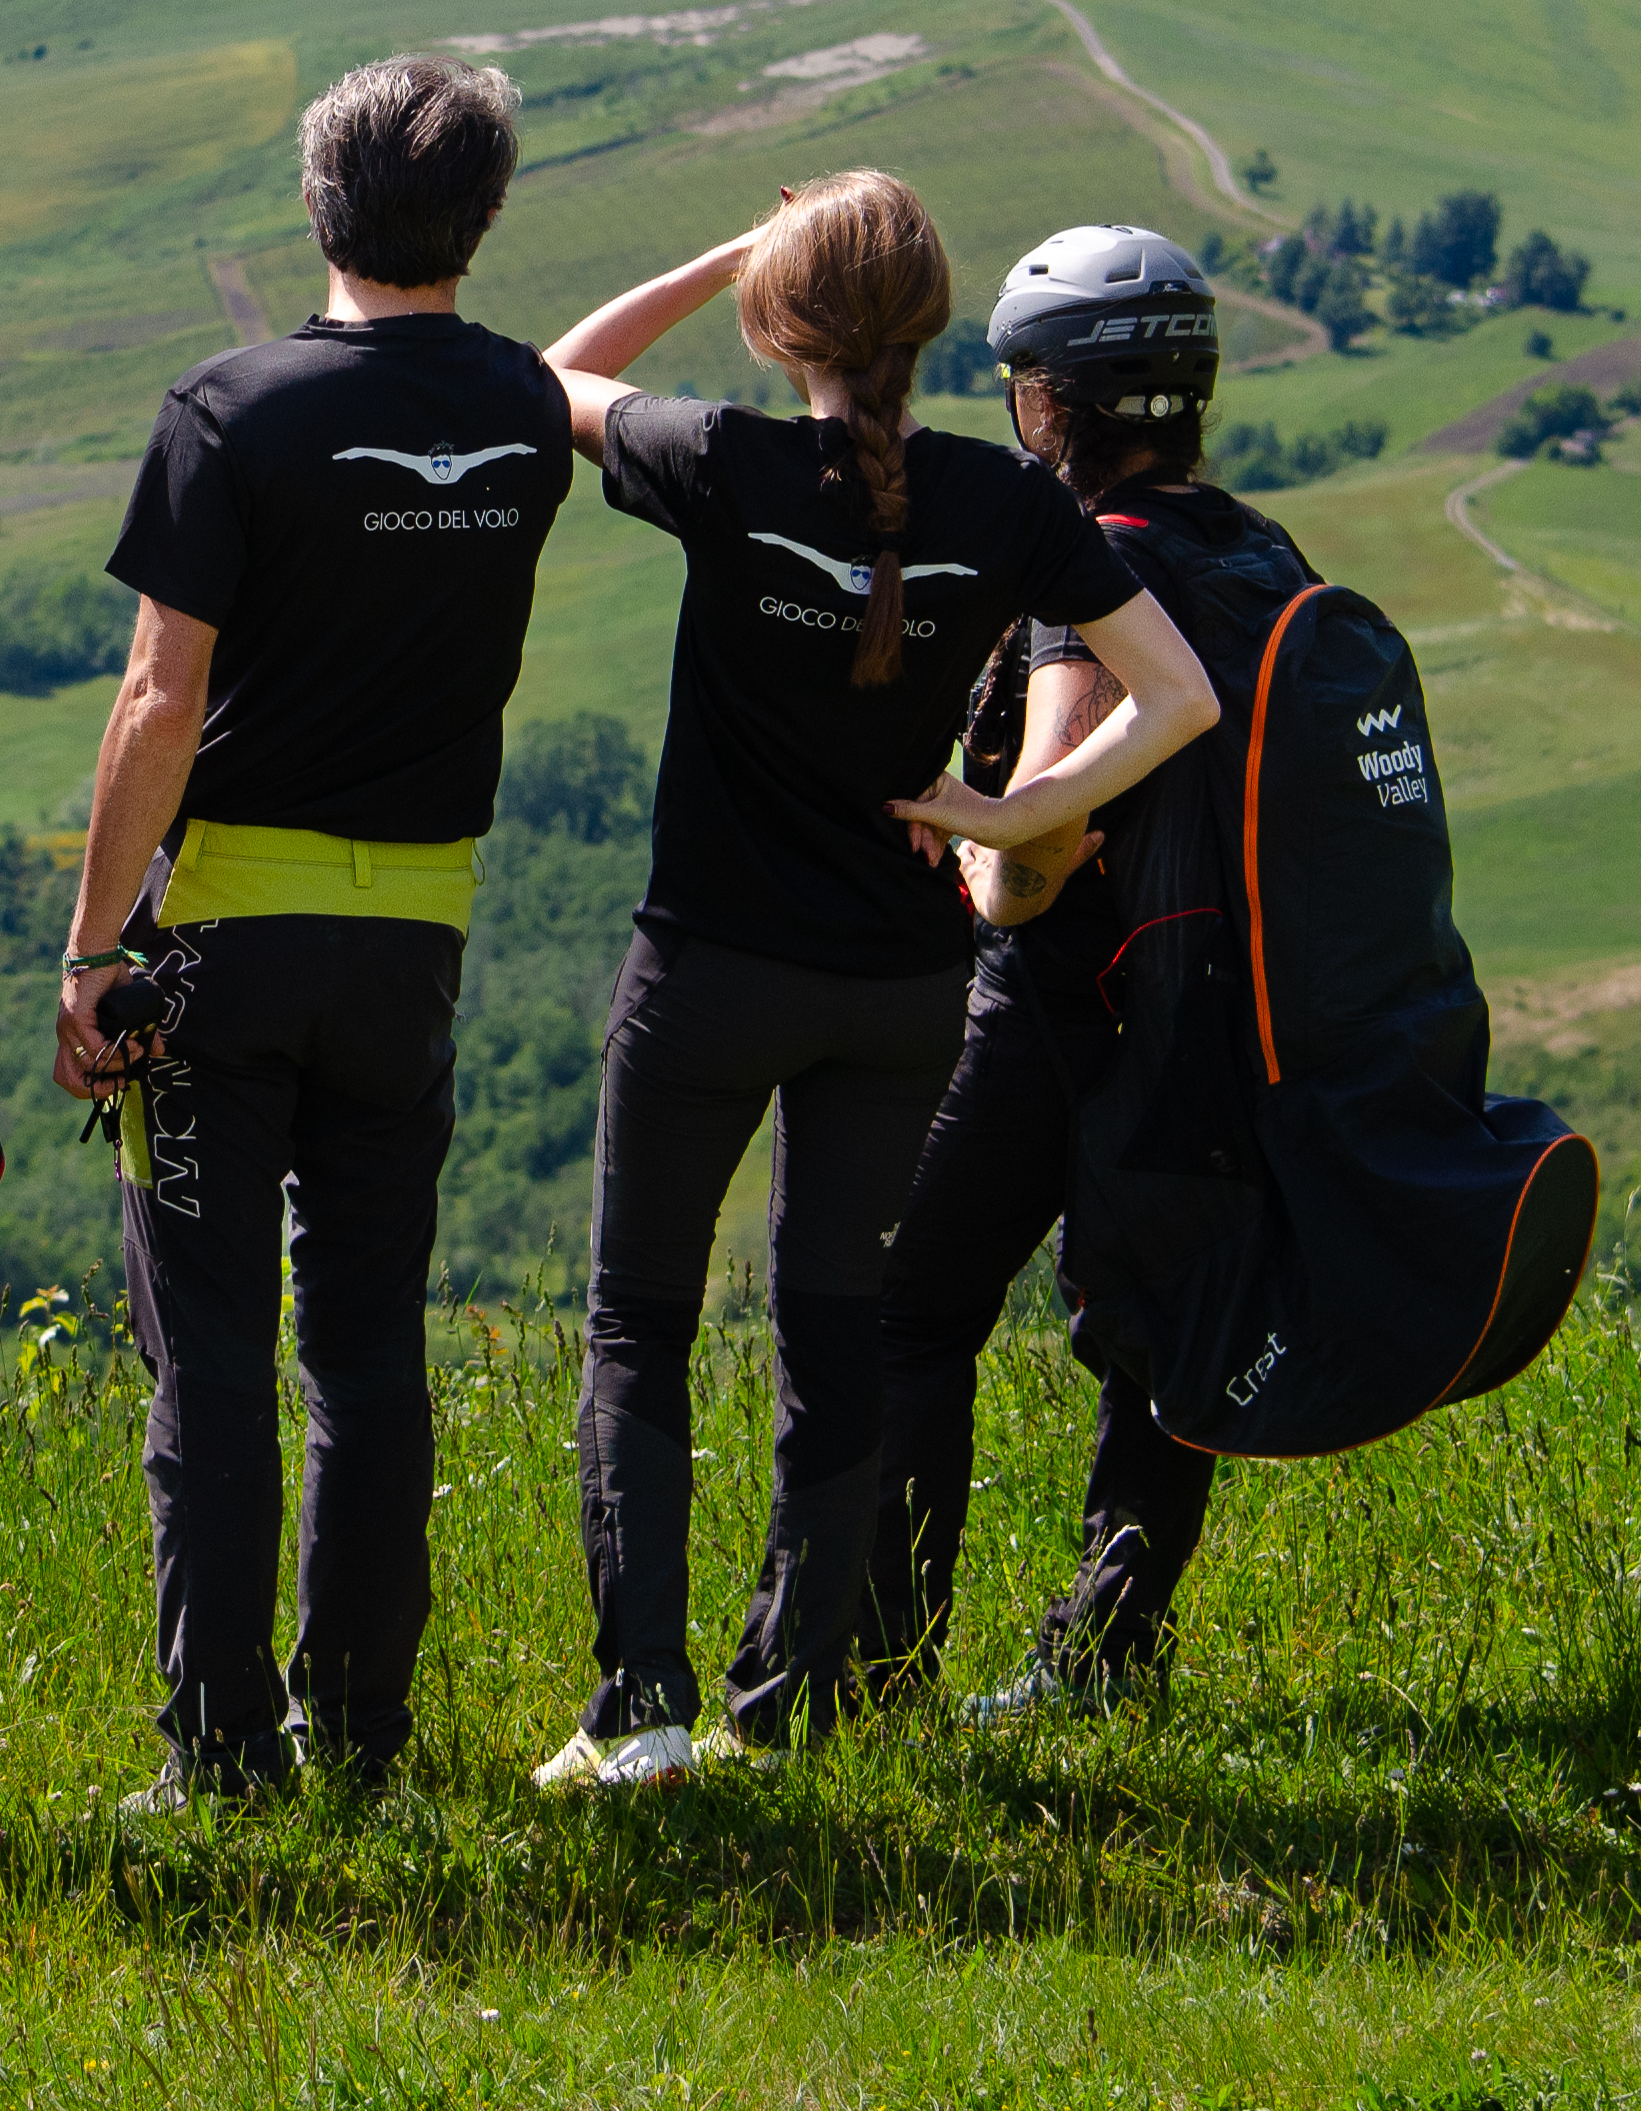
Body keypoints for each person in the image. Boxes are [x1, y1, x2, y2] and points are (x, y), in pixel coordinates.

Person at [522, 175, 1217, 1790]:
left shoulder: (725, 461)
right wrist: (1009, 813)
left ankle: (641, 1713)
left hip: (704, 973)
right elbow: (1175, 693)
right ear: (936, 331)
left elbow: (548, 374)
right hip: (898, 989)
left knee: (640, 1324)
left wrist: (726, 250)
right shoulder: (1006, 503)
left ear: (784, 328)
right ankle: (788, 1705)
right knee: (836, 1333)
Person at [56, 54, 571, 1813]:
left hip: (220, 940)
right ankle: (360, 1737)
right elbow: (571, 374)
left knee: (207, 1349)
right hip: (414, 942)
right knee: (369, 1340)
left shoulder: (231, 408)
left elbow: (157, 701)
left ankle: (221, 1755)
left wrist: (91, 949)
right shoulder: (516, 413)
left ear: (313, 204)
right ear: (484, 219)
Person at [862, 224, 1239, 1719]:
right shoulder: (1257, 552)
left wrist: (967, 845)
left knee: (911, 1312)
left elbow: (1031, 867)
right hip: (1216, 1013)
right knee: (1161, 1333)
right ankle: (1105, 1662)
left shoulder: (1090, 576)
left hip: (1062, 1005)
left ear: (1049, 409)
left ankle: (883, 1676)